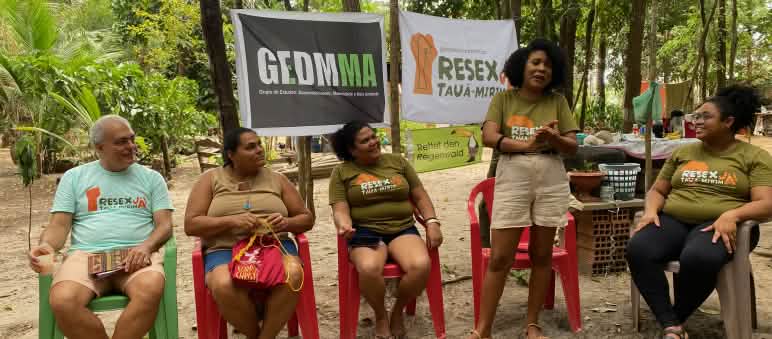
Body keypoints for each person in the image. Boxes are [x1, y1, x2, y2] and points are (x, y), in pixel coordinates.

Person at [626, 85, 772, 339]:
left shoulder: (754, 156)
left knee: (699, 257)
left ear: (728, 122)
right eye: (696, 116)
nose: (697, 121)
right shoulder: (683, 152)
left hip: (720, 225)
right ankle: (671, 324)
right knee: (638, 248)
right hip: (673, 220)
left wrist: (732, 215)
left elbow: (766, 203)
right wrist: (650, 211)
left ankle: (674, 317)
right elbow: (657, 191)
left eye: (706, 116)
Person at [469, 38, 579, 339]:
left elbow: (572, 146)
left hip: (551, 176)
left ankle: (532, 324)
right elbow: (490, 137)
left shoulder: (557, 102)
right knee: (500, 257)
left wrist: (553, 138)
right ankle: (483, 328)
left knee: (542, 254)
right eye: (535, 62)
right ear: (522, 66)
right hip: (513, 174)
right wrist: (527, 144)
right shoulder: (503, 100)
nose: (542, 68)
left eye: (547, 64)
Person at [27, 115, 173, 339]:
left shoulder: (152, 178)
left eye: (132, 139)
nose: (131, 146)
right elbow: (59, 225)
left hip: (135, 254)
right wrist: (46, 245)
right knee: (63, 300)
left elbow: (164, 226)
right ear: (99, 147)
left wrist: (146, 247)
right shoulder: (75, 177)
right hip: (86, 256)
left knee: (151, 287)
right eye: (121, 142)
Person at [184, 127, 313, 339]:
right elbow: (191, 224)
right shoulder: (210, 179)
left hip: (274, 245)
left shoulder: (277, 179)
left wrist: (286, 222)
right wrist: (231, 222)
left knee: (293, 275)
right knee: (223, 284)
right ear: (231, 155)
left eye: (259, 145)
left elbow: (306, 219)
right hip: (226, 249)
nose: (259, 150)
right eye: (250, 147)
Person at [329, 121, 443, 339]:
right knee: (370, 268)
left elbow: (420, 195)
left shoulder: (397, 161)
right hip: (365, 231)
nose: (373, 142)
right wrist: (344, 224)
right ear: (352, 150)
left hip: (401, 228)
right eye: (365, 141)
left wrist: (432, 222)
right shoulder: (342, 172)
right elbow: (340, 208)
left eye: (373, 136)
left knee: (420, 266)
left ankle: (397, 312)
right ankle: (381, 315)